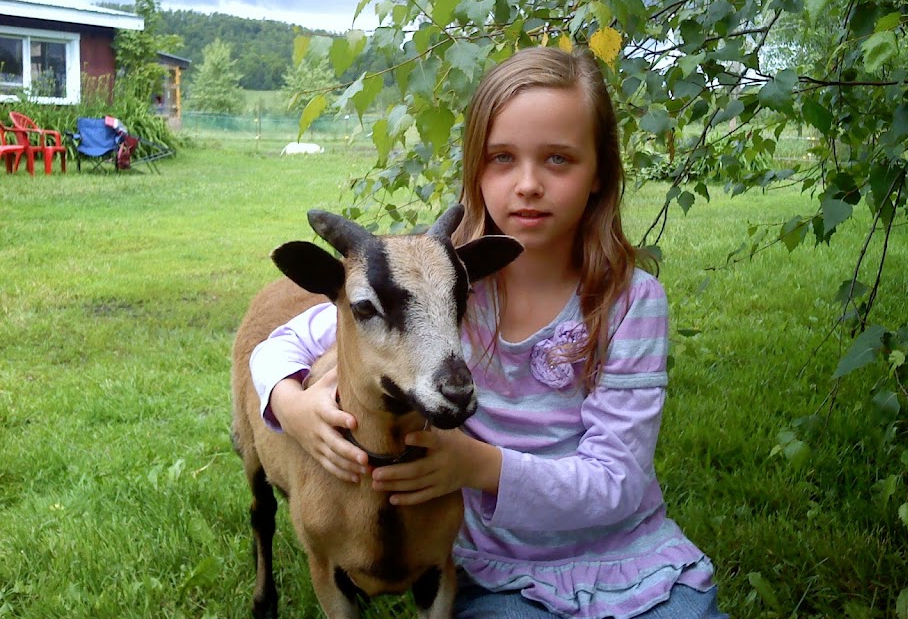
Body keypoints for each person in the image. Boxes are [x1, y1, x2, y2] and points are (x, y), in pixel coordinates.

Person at [249, 46, 727, 619]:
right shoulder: (439, 288)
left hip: (625, 555)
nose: (527, 184)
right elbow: (280, 345)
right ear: (475, 169)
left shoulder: (629, 302)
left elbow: (619, 479)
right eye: (502, 158)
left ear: (599, 172)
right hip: (495, 569)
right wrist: (291, 404)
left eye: (558, 159)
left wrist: (476, 466)